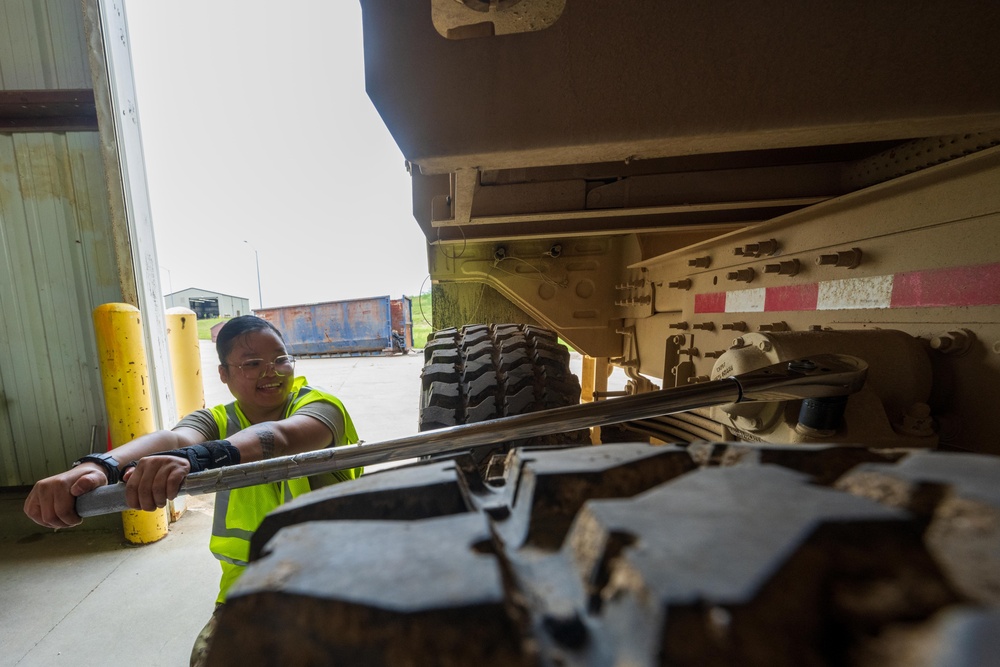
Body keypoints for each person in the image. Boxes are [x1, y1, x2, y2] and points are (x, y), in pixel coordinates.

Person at [23, 315, 361, 665]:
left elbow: (283, 437)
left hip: (336, 579)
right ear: (224, 374)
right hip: (249, 587)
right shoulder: (216, 419)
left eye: (280, 359)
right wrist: (99, 465)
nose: (271, 371)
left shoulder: (320, 407)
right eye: (252, 364)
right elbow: (175, 438)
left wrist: (200, 456)